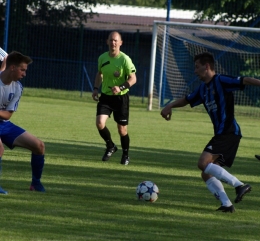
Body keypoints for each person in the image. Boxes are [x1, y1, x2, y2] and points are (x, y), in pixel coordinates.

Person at [160, 52, 260, 213]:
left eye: (197, 67)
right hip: (223, 134)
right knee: (207, 173)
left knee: (203, 163)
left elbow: (245, 80)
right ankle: (227, 205)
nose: (195, 71)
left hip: (228, 132)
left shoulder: (220, 80)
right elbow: (186, 100)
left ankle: (240, 185)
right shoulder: (203, 89)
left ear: (207, 67)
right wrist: (169, 106)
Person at [0, 52, 45, 194]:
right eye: (22, 70)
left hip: (3, 124)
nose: (25, 74)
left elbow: (7, 115)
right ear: (12, 68)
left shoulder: (17, 87)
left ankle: (35, 184)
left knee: (39, 146)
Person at [92, 31, 137, 165]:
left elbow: (133, 78)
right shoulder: (102, 58)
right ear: (107, 42)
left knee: (122, 129)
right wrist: (95, 89)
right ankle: (110, 146)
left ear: (120, 43)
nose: (113, 43)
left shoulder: (125, 59)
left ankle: (126, 154)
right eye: (111, 40)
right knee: (100, 123)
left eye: (116, 40)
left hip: (121, 98)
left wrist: (121, 87)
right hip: (106, 96)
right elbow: (99, 74)